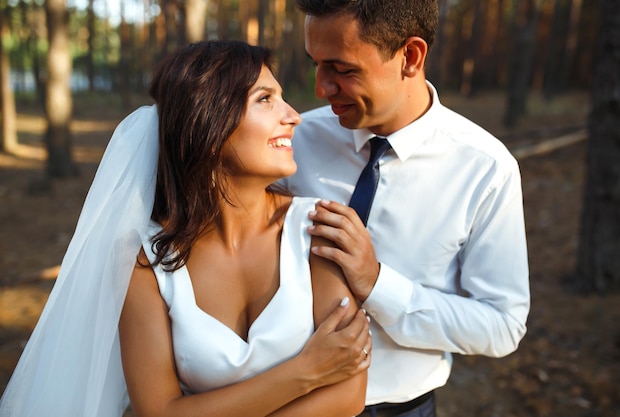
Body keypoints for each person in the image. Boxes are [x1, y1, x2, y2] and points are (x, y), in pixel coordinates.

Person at [0, 40, 371, 417]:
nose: (294, 116)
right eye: (265, 99)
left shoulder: (319, 229)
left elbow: (348, 395)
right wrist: (304, 371)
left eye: (282, 98)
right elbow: (158, 411)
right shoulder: (145, 261)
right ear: (209, 120)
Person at [274, 1, 531, 416]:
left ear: (410, 57)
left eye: (343, 69)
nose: (321, 88)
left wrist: (377, 285)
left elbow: (502, 326)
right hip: (285, 402)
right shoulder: (293, 140)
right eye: (316, 64)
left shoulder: (486, 168)